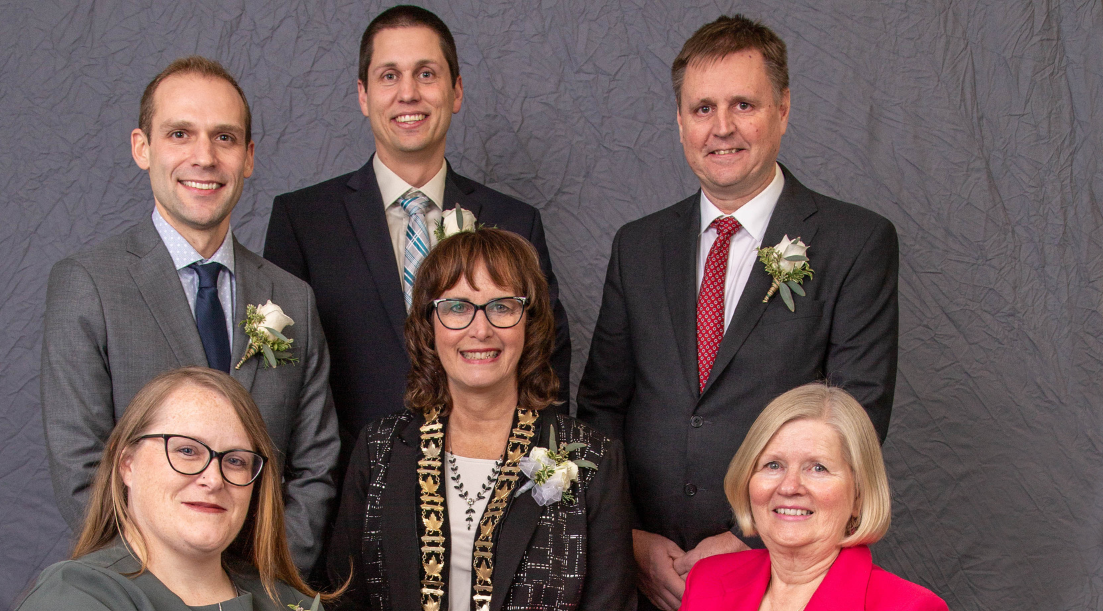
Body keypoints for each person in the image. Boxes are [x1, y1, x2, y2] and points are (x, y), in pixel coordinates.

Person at [575, 14, 899, 610]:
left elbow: (856, 416)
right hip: (645, 571)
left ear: (783, 108)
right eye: (702, 109)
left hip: (780, 566)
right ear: (679, 121)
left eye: (743, 104)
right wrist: (628, 536)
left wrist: (746, 535)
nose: (721, 128)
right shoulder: (638, 245)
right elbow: (601, 406)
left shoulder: (855, 242)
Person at [41, 56, 339, 574]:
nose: (204, 157)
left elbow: (316, 465)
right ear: (142, 147)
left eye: (224, 138)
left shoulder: (293, 299)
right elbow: (82, 466)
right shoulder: (88, 284)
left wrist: (268, 577)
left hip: (265, 587)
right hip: (139, 587)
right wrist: (169, 585)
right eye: (180, 133)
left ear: (247, 157)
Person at [263, 6, 572, 466]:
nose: (408, 93)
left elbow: (547, 358)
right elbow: (283, 378)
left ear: (456, 91)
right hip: (346, 490)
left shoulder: (514, 220)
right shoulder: (303, 220)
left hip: (488, 486)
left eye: (426, 74)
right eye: (389, 76)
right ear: (363, 95)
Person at [327, 228, 634, 611]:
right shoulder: (378, 448)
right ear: (429, 325)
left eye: (501, 306)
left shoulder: (594, 458)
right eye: (457, 307)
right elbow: (345, 598)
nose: (480, 329)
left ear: (530, 324)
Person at [21, 368, 338, 610]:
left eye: (236, 461)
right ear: (127, 463)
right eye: (187, 451)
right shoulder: (76, 596)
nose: (213, 480)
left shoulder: (287, 601)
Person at [681, 383, 946, 610]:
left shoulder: (910, 606)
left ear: (858, 496)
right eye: (773, 465)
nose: (789, 486)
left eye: (818, 468)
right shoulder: (707, 580)